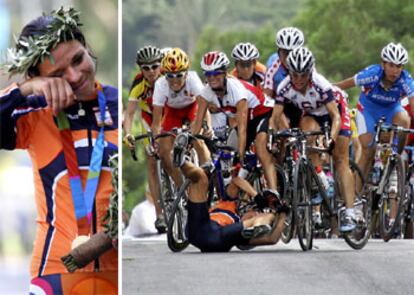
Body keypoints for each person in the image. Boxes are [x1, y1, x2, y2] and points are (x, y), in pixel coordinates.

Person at [0, 7, 117, 294]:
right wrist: (26, 88)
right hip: (55, 271)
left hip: (118, 271)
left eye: (78, 59)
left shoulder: (119, 104)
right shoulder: (34, 112)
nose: (76, 76)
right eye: (58, 74)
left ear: (88, 49)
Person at [270, 47, 357, 232]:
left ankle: (350, 212)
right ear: (289, 72)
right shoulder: (284, 86)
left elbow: (336, 118)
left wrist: (331, 140)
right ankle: (319, 176)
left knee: (340, 158)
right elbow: (275, 116)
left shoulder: (321, 84)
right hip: (313, 115)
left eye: (303, 75)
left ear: (310, 72)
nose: (299, 80)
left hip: (336, 111)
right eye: (295, 75)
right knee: (305, 134)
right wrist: (278, 134)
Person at [172, 133, 287, 252]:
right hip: (200, 228)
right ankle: (181, 162)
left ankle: (259, 227)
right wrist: (257, 196)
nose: (254, 212)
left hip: (219, 236)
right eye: (254, 212)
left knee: (268, 217)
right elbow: (237, 181)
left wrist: (282, 214)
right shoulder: (229, 203)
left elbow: (272, 239)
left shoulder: (238, 230)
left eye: (256, 213)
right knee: (201, 178)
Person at [192, 51, 278, 195]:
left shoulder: (236, 90)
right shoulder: (206, 92)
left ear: (225, 72)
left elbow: (243, 127)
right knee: (226, 153)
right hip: (247, 118)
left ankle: (274, 192)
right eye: (208, 74)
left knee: (260, 147)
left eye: (216, 73)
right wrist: (190, 140)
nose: (212, 78)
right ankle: (234, 196)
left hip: (262, 112)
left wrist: (241, 154)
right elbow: (198, 122)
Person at [336, 43, 414, 192]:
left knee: (405, 119)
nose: (395, 70)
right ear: (383, 64)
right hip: (368, 110)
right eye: (391, 65)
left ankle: (394, 160)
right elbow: (344, 84)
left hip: (392, 110)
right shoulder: (372, 74)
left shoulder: (406, 80)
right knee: (367, 152)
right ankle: (356, 200)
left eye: (399, 66)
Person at [123, 45, 167, 233]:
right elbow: (130, 114)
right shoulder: (138, 84)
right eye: (146, 68)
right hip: (149, 120)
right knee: (151, 162)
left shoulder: (168, 77)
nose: (151, 72)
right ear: (140, 69)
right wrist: (127, 134)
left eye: (155, 66)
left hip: (168, 116)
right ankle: (160, 215)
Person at [151, 47, 205, 187]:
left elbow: (203, 108)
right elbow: (156, 122)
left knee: (199, 141)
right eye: (170, 76)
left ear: (186, 74)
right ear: (165, 75)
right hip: (173, 112)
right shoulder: (160, 85)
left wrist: (207, 126)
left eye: (179, 75)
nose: (175, 80)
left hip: (192, 108)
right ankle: (181, 189)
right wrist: (155, 140)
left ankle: (208, 180)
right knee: (164, 153)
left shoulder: (193, 79)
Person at [264, 27, 305, 128]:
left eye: (293, 52)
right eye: (285, 53)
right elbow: (266, 98)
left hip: (302, 104)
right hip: (281, 106)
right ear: (279, 52)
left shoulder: (308, 67)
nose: (289, 58)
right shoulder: (273, 70)